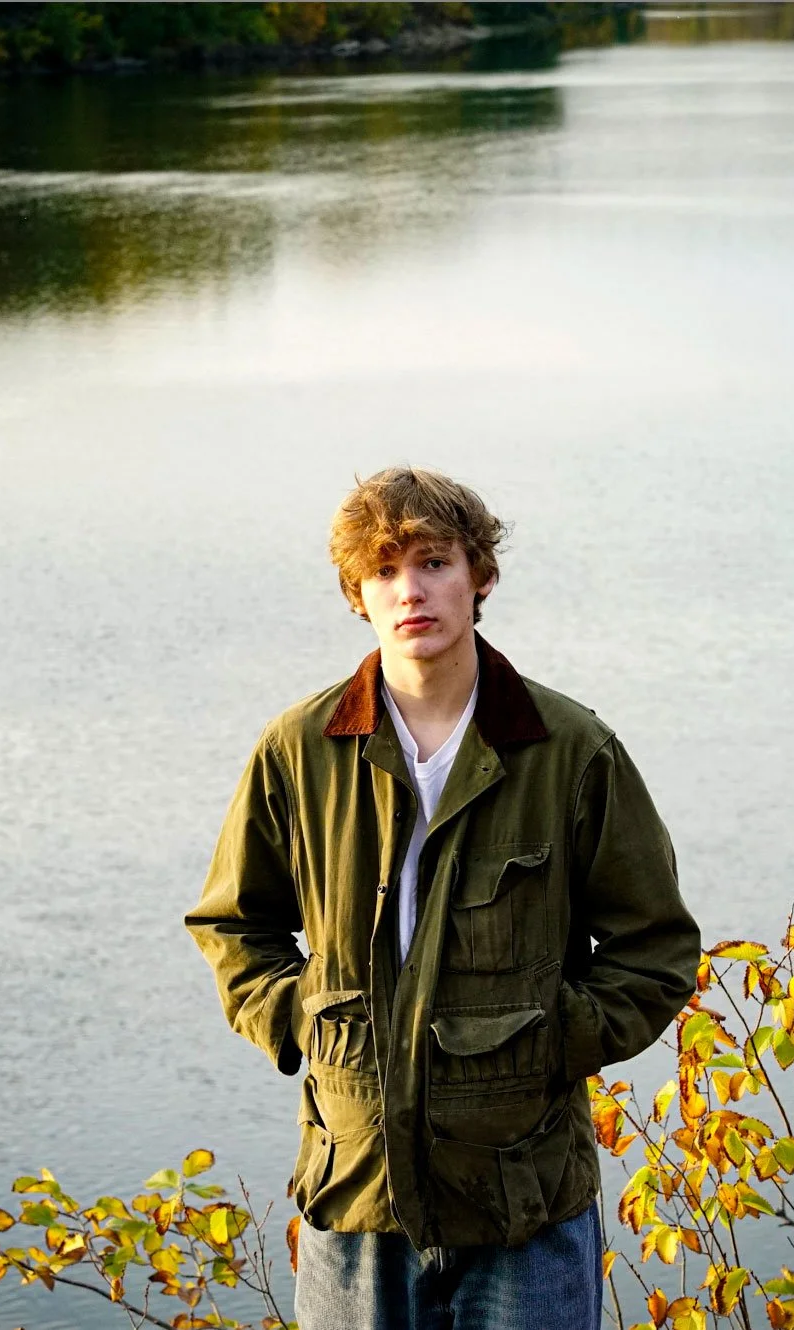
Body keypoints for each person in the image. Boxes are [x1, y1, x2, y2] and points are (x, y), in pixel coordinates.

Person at [185, 467, 701, 1329]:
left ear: (480, 577)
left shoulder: (571, 750)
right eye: (384, 572)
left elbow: (655, 951)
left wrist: (547, 1044)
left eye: (432, 563)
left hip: (523, 1201)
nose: (410, 591)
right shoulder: (300, 750)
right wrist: (305, 1019)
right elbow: (234, 927)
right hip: (356, 1197)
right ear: (357, 593)